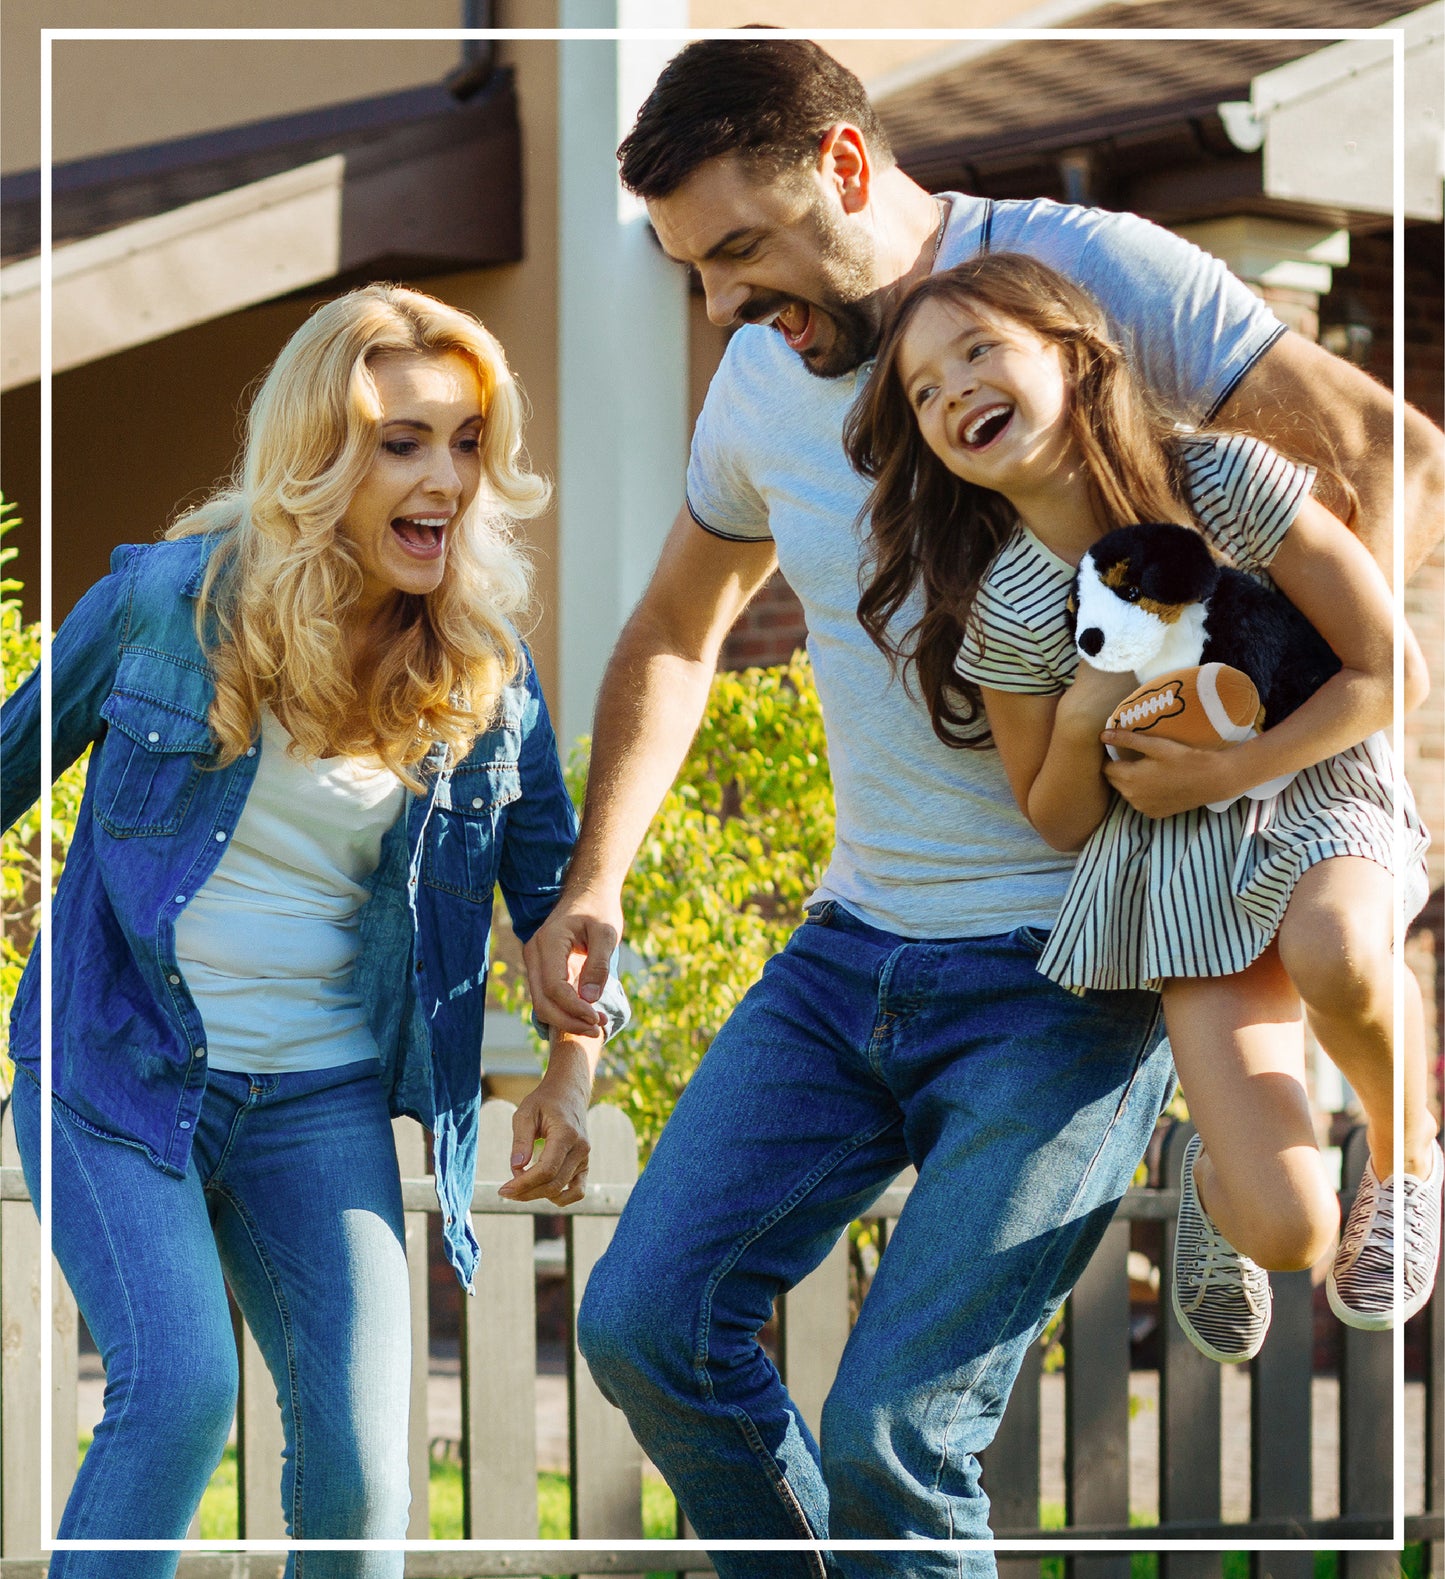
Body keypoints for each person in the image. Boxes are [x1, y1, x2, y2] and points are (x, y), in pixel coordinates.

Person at [520, 37, 1445, 1575]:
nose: (724, 306)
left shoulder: (1091, 278)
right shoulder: (762, 379)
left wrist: (1274, 784)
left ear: (845, 165)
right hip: (850, 949)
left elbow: (1379, 451)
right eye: (692, 269)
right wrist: (595, 876)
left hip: (1070, 971)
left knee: (897, 1429)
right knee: (641, 1324)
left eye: (741, 248)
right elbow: (679, 632)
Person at [0, 283, 627, 1577]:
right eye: (403, 441)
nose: (445, 477)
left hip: (317, 1101)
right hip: (115, 1066)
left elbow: (557, 902)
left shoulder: (481, 669)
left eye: (464, 440)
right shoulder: (162, 607)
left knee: (362, 1469)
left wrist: (570, 1071)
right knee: (176, 1397)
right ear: (320, 457)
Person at [845, 251, 1439, 1366]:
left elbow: (1387, 673)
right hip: (1176, 874)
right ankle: (1219, 1186)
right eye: (922, 390)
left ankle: (1408, 1157)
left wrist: (1229, 766)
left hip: (1315, 793)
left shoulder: (1219, 482)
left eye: (978, 349)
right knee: (1289, 1227)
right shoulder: (1014, 610)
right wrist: (1078, 719)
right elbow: (1059, 819)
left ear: (1072, 356)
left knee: (1334, 944)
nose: (951, 389)